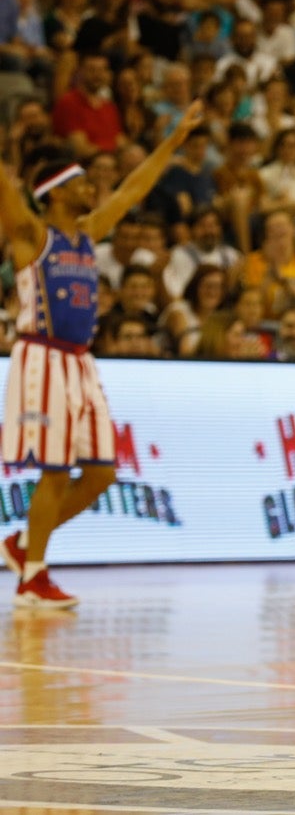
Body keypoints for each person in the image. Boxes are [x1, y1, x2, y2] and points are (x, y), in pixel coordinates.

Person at [0, 102, 205, 608]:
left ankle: (24, 544)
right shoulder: (32, 235)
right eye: (82, 182)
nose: (93, 188)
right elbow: (6, 188)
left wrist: (175, 137)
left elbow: (135, 187)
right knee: (54, 471)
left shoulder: (89, 232)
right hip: (42, 358)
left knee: (100, 474)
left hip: (82, 362)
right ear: (55, 192)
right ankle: (33, 576)